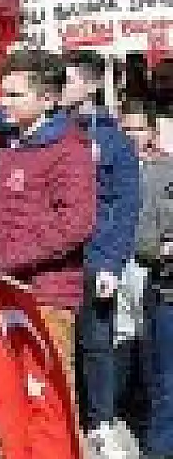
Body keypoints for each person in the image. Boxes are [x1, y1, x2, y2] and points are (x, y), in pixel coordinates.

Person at [0, 48, 140, 458]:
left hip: (45, 295)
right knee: (1, 387)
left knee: (44, 393)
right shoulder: (11, 143)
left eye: (14, 95)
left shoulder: (71, 150)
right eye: (3, 92)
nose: (3, 102)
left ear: (46, 99)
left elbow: (74, 226)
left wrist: (4, 260)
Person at [129, 104, 173, 459]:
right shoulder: (158, 174)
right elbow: (143, 239)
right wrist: (163, 247)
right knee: (165, 382)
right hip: (166, 290)